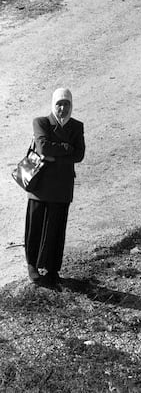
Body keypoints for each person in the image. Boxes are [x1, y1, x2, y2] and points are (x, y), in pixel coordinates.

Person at [25, 88, 85, 287]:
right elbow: (42, 147)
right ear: (53, 104)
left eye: (66, 104)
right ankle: (32, 265)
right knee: (36, 226)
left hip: (62, 186)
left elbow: (79, 155)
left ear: (71, 106)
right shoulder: (41, 122)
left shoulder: (77, 126)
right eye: (59, 104)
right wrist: (66, 149)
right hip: (40, 185)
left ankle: (52, 270)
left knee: (57, 229)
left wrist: (54, 155)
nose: (62, 108)